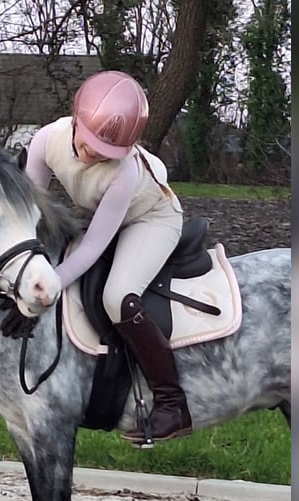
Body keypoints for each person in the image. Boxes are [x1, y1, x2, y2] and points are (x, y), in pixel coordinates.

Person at [24, 70, 191, 443]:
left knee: (117, 297)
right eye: (91, 142)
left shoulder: (125, 172)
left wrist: (54, 281)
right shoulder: (44, 140)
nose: (96, 154)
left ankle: (172, 404)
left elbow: (94, 246)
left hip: (151, 220)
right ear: (77, 119)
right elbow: (30, 211)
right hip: (106, 218)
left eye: (108, 151)